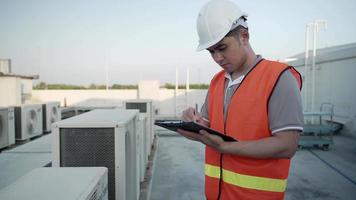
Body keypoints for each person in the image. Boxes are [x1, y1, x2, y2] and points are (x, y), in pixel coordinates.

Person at [177, 0, 304, 199]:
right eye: (212, 51)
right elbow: (209, 125)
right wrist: (194, 123)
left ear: (244, 36)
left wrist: (225, 147)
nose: (218, 58)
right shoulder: (218, 81)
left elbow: (287, 145)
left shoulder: (279, 77)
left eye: (222, 48)